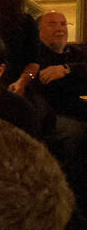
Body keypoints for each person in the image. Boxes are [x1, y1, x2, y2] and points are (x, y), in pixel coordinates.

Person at [31, 11, 87, 215]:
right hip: (54, 116)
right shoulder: (35, 57)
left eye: (63, 24)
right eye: (53, 24)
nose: (60, 28)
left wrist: (66, 69)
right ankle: (73, 204)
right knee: (77, 134)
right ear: (38, 32)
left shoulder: (75, 54)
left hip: (81, 111)